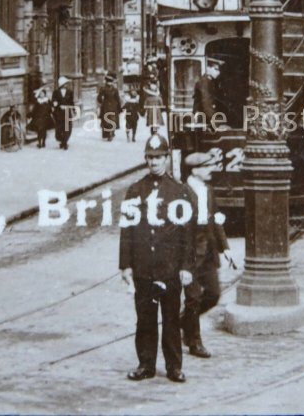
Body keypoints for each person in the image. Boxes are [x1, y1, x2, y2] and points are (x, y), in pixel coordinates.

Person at [119, 133, 195, 383]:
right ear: (146, 159)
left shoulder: (180, 191)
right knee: (145, 320)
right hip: (144, 268)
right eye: (150, 158)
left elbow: (187, 235)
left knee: (171, 320)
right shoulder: (135, 190)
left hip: (169, 269)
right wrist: (126, 265)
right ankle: (146, 364)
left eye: (159, 158)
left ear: (167, 159)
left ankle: (174, 367)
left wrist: (186, 267)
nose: (154, 163)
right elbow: (127, 231)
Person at [181, 152, 232, 359]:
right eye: (208, 166)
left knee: (213, 294)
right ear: (195, 170)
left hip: (209, 253)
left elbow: (215, 220)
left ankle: (182, 323)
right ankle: (194, 342)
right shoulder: (181, 192)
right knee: (192, 299)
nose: (212, 169)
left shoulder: (208, 190)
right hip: (189, 256)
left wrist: (225, 248)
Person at [193, 57, 224, 129]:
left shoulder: (210, 81)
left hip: (206, 118)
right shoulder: (205, 82)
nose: (218, 72)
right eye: (215, 69)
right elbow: (207, 104)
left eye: (219, 70)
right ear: (208, 68)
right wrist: (216, 124)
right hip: (203, 119)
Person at [52, 76, 75, 150]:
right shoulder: (55, 92)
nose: (66, 85)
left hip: (67, 111)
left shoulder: (70, 92)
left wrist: (74, 110)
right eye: (65, 84)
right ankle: (62, 141)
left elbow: (71, 102)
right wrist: (57, 105)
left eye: (67, 84)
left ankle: (65, 142)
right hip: (59, 112)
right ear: (62, 84)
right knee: (60, 127)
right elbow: (54, 101)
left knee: (67, 127)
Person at [98, 74, 121, 142]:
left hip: (109, 106)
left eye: (110, 81)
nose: (110, 83)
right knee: (109, 120)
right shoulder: (112, 89)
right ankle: (110, 133)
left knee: (109, 120)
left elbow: (117, 99)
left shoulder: (105, 88)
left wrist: (119, 107)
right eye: (109, 81)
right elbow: (99, 98)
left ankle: (110, 133)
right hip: (109, 106)